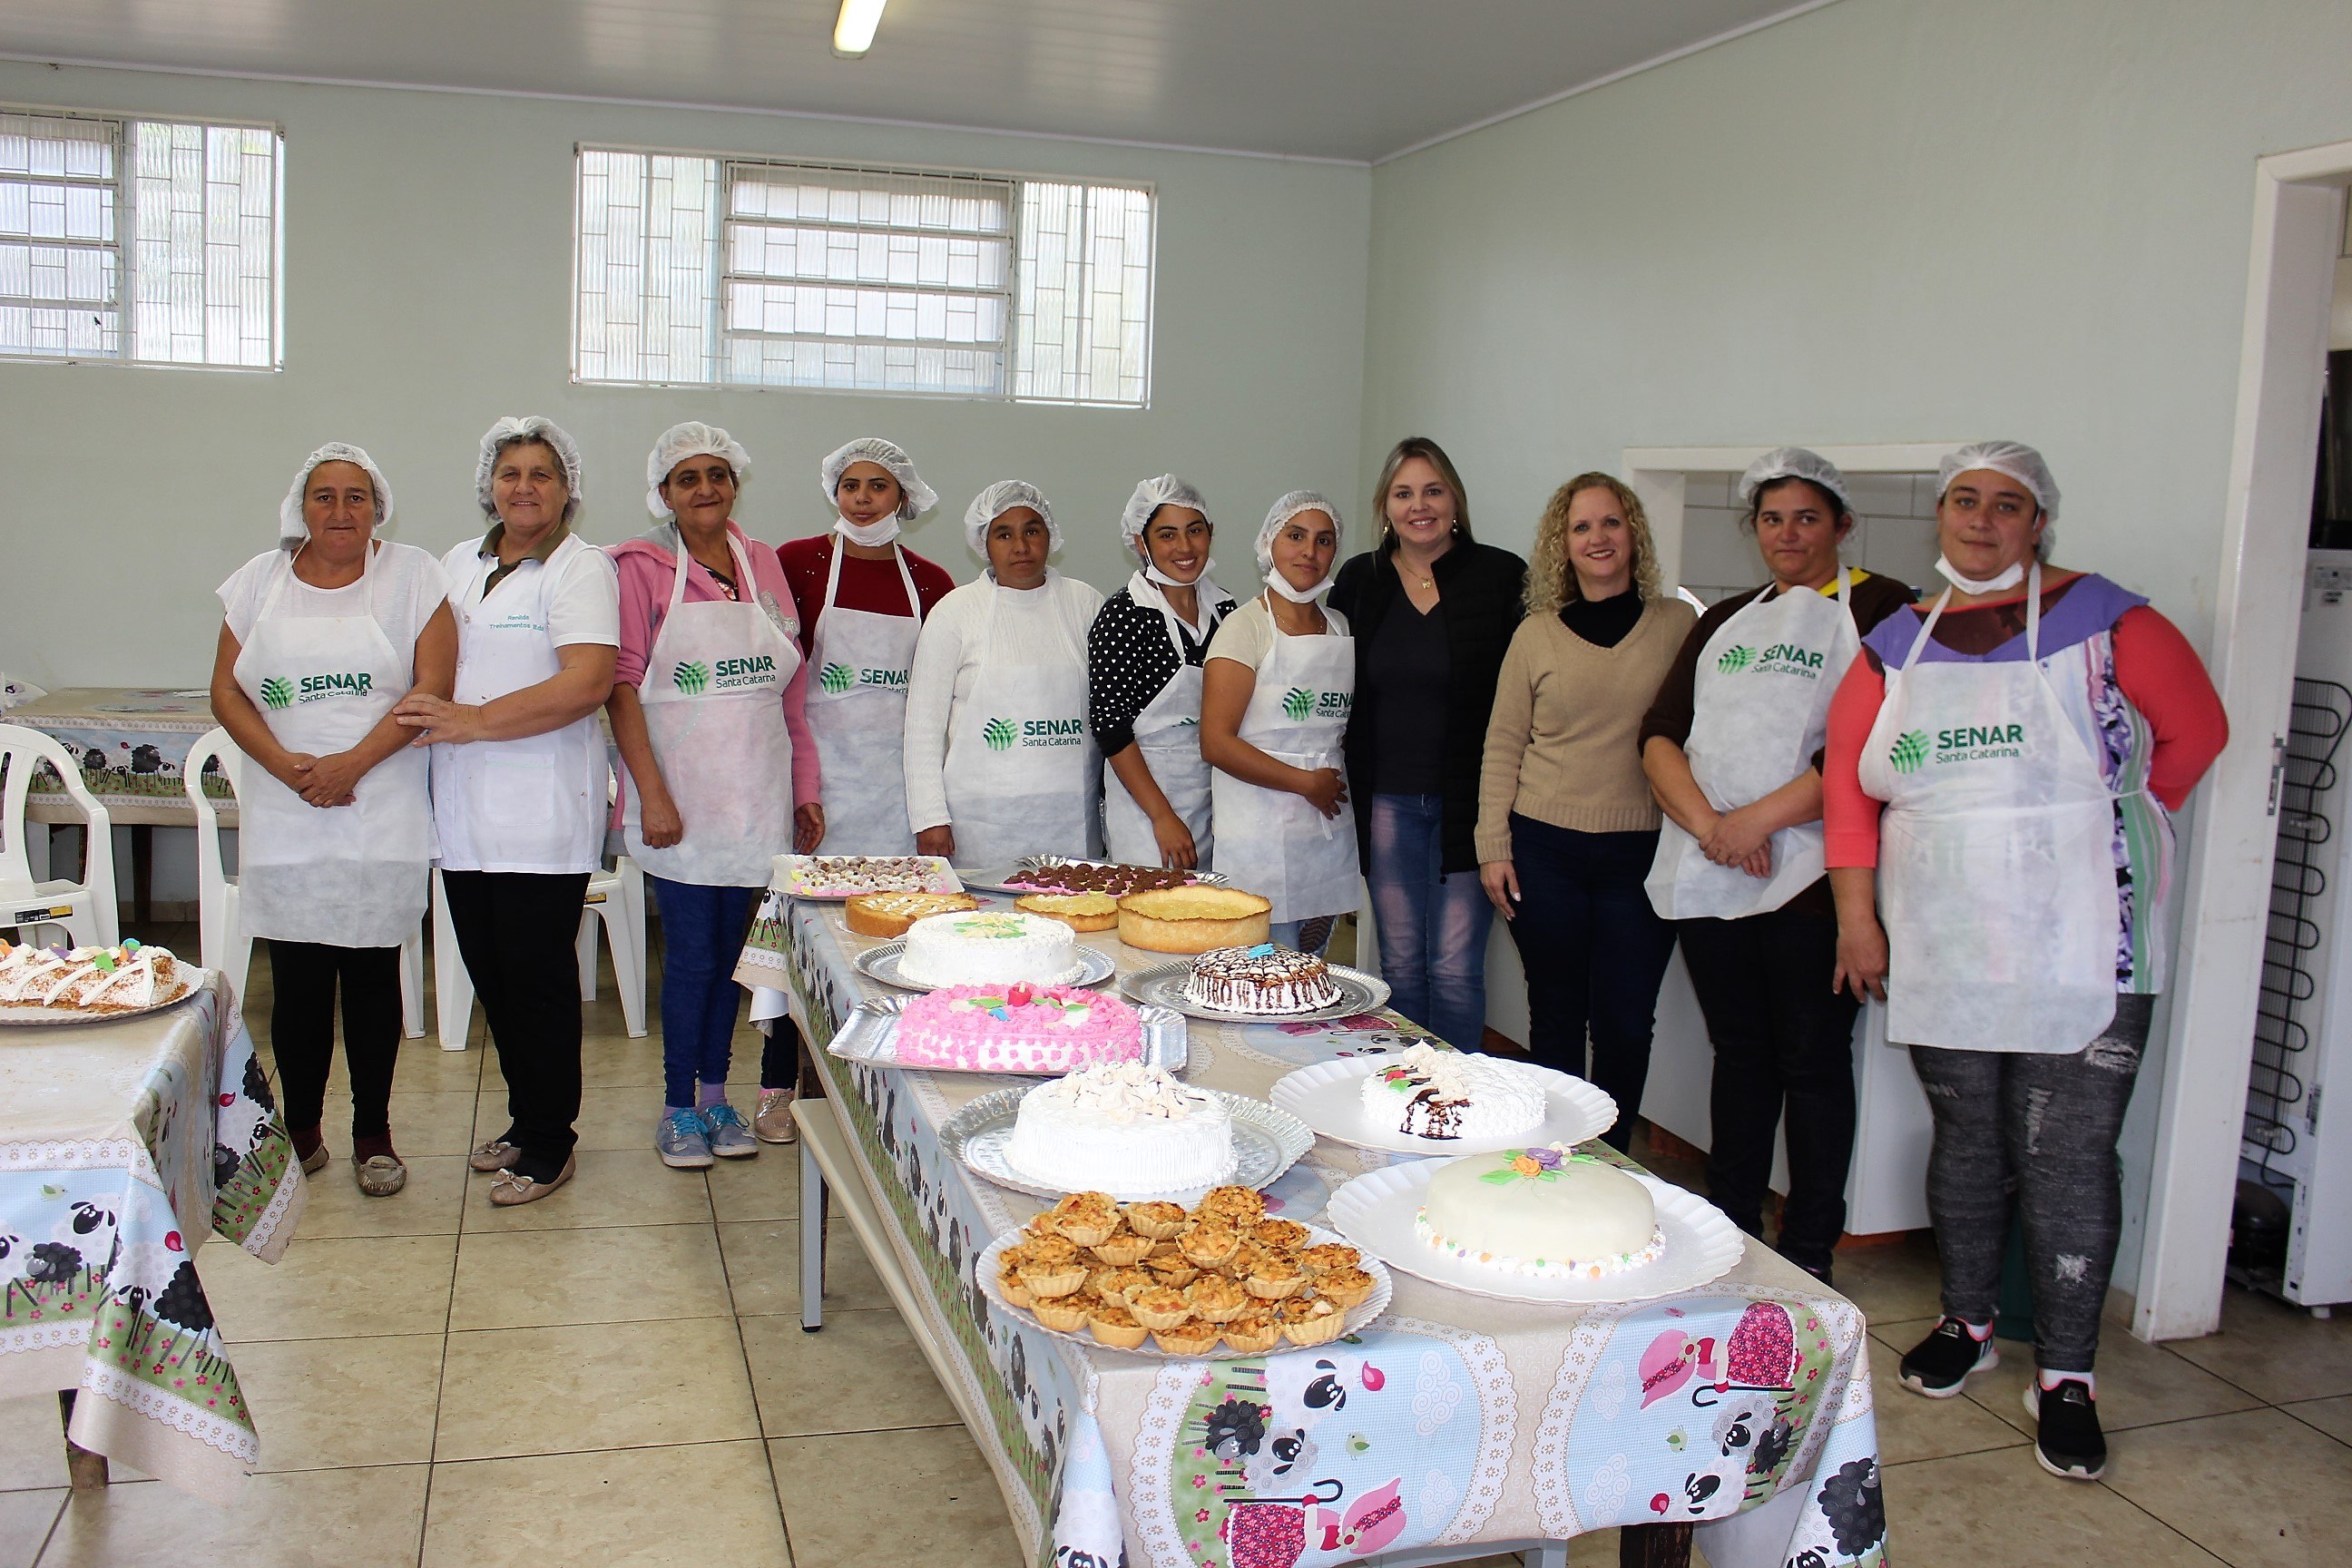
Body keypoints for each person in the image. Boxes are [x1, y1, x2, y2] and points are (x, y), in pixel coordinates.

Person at [1823, 441, 2226, 1481]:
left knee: (2068, 1153)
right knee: (1967, 1136)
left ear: (2039, 522)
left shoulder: (2112, 622)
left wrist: (2102, 837)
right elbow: (1849, 799)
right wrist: (1858, 921)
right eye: (1964, 500)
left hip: (2087, 938)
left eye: (2007, 505)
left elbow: (2196, 736)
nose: (1982, 519)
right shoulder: (1897, 644)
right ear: (1942, 514)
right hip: (1946, 936)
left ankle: (2069, 1375)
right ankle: (1967, 1322)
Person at [1638, 449, 1916, 1280]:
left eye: (1806, 517)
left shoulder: (1886, 609)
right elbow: (1659, 732)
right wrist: (1712, 826)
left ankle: (1808, 1249)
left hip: (1821, 886)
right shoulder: (1724, 618)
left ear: (1842, 524)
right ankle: (1732, 1225)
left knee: (1814, 1064)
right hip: (1716, 869)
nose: (1788, 534)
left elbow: (1872, 745)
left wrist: (1755, 819)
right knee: (1741, 1055)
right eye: (1771, 518)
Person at [211, 443, 454, 1198]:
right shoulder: (258, 582)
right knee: (299, 985)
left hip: (379, 811)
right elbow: (226, 693)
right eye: (325, 496)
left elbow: (432, 688)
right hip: (289, 816)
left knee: (375, 980)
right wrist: (289, 768)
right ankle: (303, 1128)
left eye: (356, 497)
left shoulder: (413, 576)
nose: (340, 511)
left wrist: (350, 765)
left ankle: (373, 1132)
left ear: (378, 506)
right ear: (301, 507)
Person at [393, 416, 618, 1208]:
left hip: (541, 812)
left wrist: (474, 721)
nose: (525, 487)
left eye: (542, 474)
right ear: (490, 483)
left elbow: (587, 681)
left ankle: (552, 1141)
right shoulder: (459, 562)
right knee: (493, 975)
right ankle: (527, 1119)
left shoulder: (581, 569)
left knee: (539, 981)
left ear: (567, 489)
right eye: (511, 472)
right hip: (463, 811)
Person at [610, 423, 823, 1170]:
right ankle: (676, 1110)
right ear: (663, 493)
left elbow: (788, 692)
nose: (705, 488)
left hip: (758, 800)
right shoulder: (637, 567)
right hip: (685, 804)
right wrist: (654, 795)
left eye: (718, 475)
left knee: (738, 962)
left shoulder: (759, 562)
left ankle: (716, 1098)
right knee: (694, 959)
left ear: (736, 484)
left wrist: (802, 791)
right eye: (687, 477)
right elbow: (622, 690)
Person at [1477, 475, 1695, 1152]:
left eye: (1610, 523)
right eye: (1581, 528)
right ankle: (1558, 1154)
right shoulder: (1535, 636)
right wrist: (1493, 844)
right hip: (1545, 849)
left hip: (1642, 853)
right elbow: (1503, 742)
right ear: (1561, 547)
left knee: (1628, 1021)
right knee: (1558, 1016)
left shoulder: (1678, 626)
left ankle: (1615, 1155)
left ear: (1633, 535)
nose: (1597, 538)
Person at [1330, 436, 1525, 1049]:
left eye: (1433, 490)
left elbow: (1522, 696)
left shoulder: (1501, 576)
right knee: (1404, 965)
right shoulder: (1360, 580)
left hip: (1471, 804)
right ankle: (1410, 1091)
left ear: (1455, 501)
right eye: (1404, 493)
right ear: (1385, 506)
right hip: (1386, 801)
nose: (1420, 506)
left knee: (1456, 969)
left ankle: (1462, 1100)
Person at [906, 483, 1105, 867]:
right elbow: (922, 726)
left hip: (1069, 821)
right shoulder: (956, 611)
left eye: (1032, 531)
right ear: (984, 542)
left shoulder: (1085, 604)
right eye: (1004, 534)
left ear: (1050, 535)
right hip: (978, 827)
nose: (1020, 546)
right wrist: (929, 817)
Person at [777, 437, 956, 858]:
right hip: (815, 776)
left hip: (898, 781)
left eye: (878, 486)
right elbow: (779, 669)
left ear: (902, 496)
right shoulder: (798, 562)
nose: (862, 498)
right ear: (834, 493)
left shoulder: (932, 581)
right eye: (850, 485)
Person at [1201, 493, 1356, 954]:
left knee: (1313, 966)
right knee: (1267, 970)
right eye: (1296, 536)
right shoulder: (1244, 628)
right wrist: (1304, 782)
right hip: (1260, 832)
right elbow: (1216, 742)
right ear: (1269, 542)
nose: (1309, 552)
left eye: (1323, 540)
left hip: (1323, 829)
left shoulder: (1340, 627)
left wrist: (1318, 786)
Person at [1090, 475, 1238, 868]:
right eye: (1167, 535)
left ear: (1211, 533)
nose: (1185, 547)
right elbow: (1110, 727)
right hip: (1145, 808)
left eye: (1195, 531)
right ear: (1142, 542)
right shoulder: (1124, 614)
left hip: (1211, 799)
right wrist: (1162, 817)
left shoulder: (1227, 611)